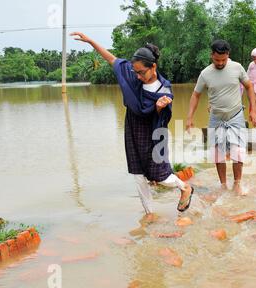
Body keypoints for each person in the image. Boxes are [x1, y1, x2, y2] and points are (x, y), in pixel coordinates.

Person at [70, 32, 194, 216]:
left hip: (152, 131)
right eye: (135, 72)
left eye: (141, 72)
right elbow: (112, 59)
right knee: (137, 173)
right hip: (133, 125)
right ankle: (149, 213)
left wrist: (159, 108)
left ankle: (184, 187)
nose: (136, 76)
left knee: (158, 174)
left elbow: (163, 119)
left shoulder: (163, 89)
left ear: (153, 67)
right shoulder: (132, 71)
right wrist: (91, 42)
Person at [186, 40, 256, 195]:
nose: (220, 63)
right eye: (217, 60)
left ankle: (237, 183)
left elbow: (249, 86)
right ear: (211, 55)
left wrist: (253, 110)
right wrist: (189, 117)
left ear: (228, 55)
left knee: (237, 151)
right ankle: (223, 185)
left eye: (223, 60)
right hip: (216, 118)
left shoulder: (237, 68)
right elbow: (195, 95)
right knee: (218, 153)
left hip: (236, 115)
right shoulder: (205, 73)